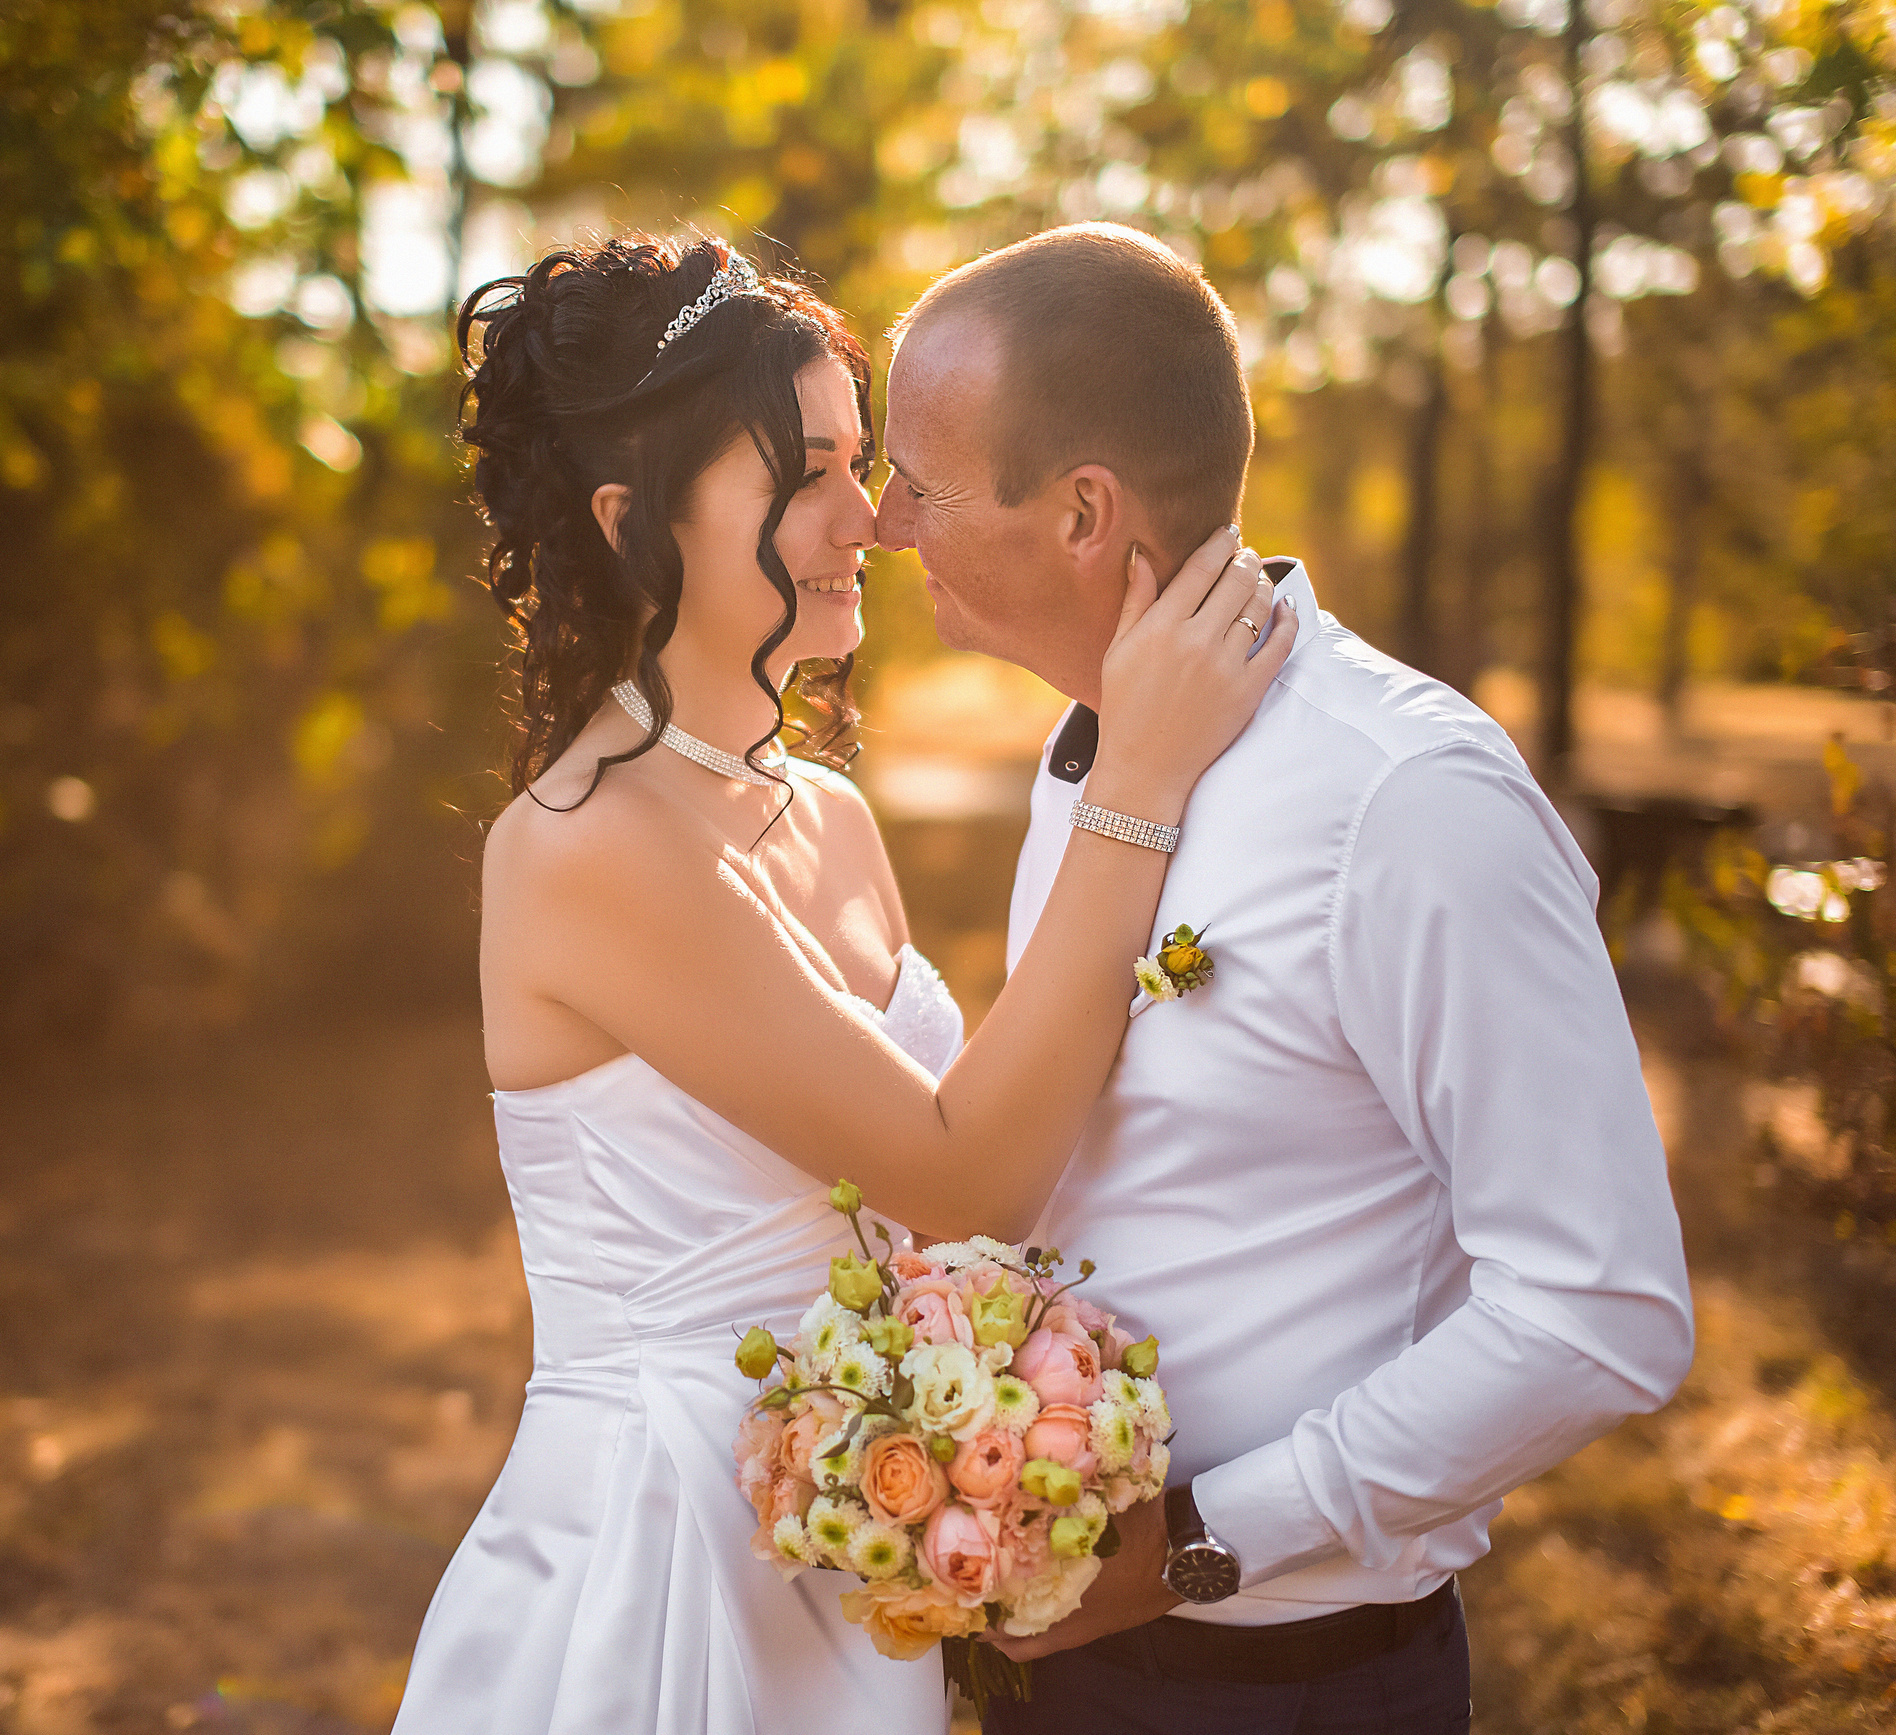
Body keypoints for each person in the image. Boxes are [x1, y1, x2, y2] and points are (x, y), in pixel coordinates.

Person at [389, 233, 1290, 1734]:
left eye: (864, 464)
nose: (866, 520)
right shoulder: (583, 845)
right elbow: (967, 1170)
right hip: (668, 1565)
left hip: (855, 1532)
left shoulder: (831, 815)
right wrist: (1135, 776)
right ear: (633, 527)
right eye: (803, 475)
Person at [873, 221, 1698, 1734]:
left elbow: (1602, 1311)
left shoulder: (1407, 798)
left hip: (1281, 1688)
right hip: (1058, 1666)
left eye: (914, 483)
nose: (878, 525)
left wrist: (1195, 1544)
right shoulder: (1098, 762)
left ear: (1082, 514)